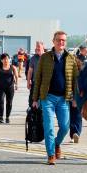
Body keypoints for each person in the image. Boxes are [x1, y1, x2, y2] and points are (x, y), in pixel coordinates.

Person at [32, 31, 79, 165]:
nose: (61, 42)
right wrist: (35, 99)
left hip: (64, 99)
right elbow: (38, 78)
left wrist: (75, 98)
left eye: (63, 40)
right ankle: (51, 154)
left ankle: (57, 143)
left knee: (65, 127)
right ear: (53, 41)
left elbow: (76, 80)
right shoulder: (45, 57)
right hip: (47, 98)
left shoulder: (71, 58)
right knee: (49, 127)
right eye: (58, 40)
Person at [0, 53, 18, 123]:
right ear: (1, 60)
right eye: (4, 59)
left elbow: (16, 77)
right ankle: (1, 117)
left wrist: (16, 84)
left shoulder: (13, 68)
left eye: (7, 59)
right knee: (1, 101)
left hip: (10, 87)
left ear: (9, 59)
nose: (6, 60)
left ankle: (7, 117)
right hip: (0, 87)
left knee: (9, 103)